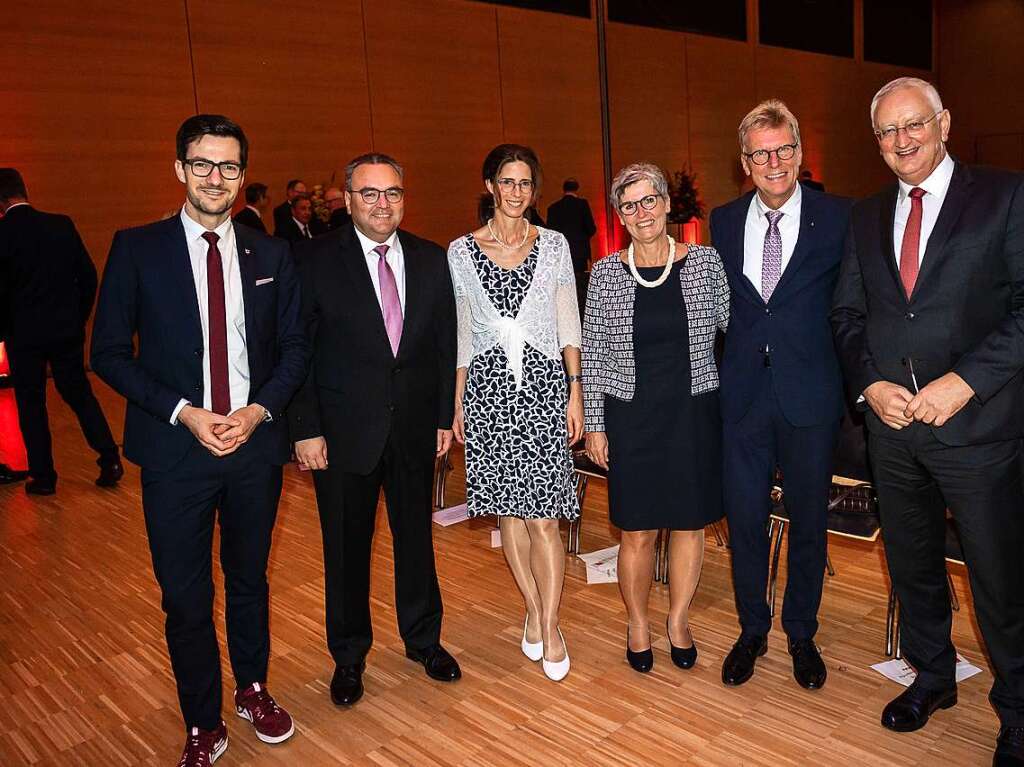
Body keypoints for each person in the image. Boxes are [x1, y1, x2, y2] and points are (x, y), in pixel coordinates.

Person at [90, 114, 309, 764]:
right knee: (186, 593)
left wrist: (259, 411)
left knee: (248, 580)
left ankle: (252, 687)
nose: (217, 177)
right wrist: (185, 411)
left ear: (243, 177)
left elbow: (296, 347)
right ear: (180, 168)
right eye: (204, 164)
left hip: (253, 448)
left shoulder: (269, 253)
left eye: (230, 166)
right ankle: (201, 720)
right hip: (174, 450)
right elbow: (107, 353)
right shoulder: (137, 247)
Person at [832, 77, 1024, 764]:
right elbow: (849, 316)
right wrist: (870, 382)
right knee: (912, 567)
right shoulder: (865, 213)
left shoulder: (1005, 196)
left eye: (913, 124)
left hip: (980, 432)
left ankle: (1019, 713)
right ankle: (933, 677)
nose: (902, 140)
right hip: (893, 433)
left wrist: (965, 381)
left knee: (1001, 580)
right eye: (887, 131)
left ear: (943, 122)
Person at [289, 152, 461, 709]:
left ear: (404, 197)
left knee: (416, 541)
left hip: (413, 429)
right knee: (345, 549)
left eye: (392, 193)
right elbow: (298, 353)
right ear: (348, 198)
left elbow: (442, 349)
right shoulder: (313, 261)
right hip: (341, 436)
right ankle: (348, 655)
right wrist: (306, 428)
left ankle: (423, 639)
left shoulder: (432, 260)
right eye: (370, 193)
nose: (382, 203)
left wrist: (442, 419)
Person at [709, 100, 850, 691]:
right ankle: (752, 629)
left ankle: (801, 631)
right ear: (745, 162)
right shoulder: (720, 220)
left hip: (810, 397)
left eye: (784, 149)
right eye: (761, 152)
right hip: (742, 397)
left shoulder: (840, 217)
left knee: (809, 522)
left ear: (800, 153)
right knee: (743, 520)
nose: (774, 161)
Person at [583, 163, 728, 673]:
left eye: (649, 201)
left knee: (690, 524)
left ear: (667, 204)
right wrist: (596, 425)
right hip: (631, 417)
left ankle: (679, 620)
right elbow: (595, 354)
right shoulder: (605, 273)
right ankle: (638, 622)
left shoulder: (707, 264)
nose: (641, 212)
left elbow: (733, 332)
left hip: (692, 414)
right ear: (619, 216)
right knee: (637, 530)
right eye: (629, 204)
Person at [448, 144, 582, 682]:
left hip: (546, 387)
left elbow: (567, 322)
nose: (516, 191)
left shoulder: (553, 245)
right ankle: (531, 604)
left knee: (544, 518)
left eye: (526, 182)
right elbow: (462, 332)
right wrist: (457, 400)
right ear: (490, 186)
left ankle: (551, 625)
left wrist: (575, 390)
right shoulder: (460, 251)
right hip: (487, 393)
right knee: (511, 517)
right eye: (507, 181)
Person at [0, 168, 122, 495]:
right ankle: (109, 456)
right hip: (65, 330)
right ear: (24, 191)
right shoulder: (61, 224)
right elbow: (88, 275)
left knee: (31, 404)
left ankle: (44, 476)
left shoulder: (2, 234)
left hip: (23, 335)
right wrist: (77, 317)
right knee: (79, 394)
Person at [547, 177, 598, 310]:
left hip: (559, 253)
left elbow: (550, 233)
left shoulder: (553, 208)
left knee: (562, 286)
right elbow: (591, 228)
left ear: (564, 189)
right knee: (579, 287)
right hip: (579, 252)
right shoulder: (582, 205)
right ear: (576, 188)